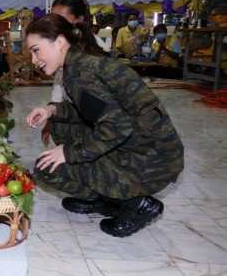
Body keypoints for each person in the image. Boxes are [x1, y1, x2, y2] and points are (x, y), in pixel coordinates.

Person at [25, 14, 184, 238]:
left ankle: (135, 202)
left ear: (60, 41)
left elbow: (118, 128)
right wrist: (52, 110)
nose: (34, 59)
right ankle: (104, 198)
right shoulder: (82, 63)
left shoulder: (80, 75)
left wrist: (70, 152)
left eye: (36, 49)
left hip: (150, 164)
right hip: (155, 150)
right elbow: (92, 113)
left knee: (46, 167)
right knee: (59, 124)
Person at [42, 0, 111, 147]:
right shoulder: (64, 46)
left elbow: (103, 108)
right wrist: (49, 120)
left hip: (102, 120)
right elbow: (58, 89)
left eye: (62, 20)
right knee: (57, 122)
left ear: (79, 20)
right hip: (78, 112)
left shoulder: (96, 48)